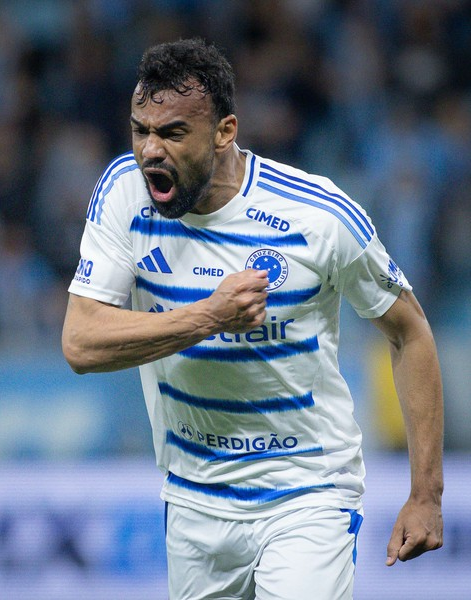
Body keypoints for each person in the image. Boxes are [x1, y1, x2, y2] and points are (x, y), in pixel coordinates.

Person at [62, 38, 443, 600]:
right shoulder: (123, 193)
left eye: (173, 133)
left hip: (307, 492)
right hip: (193, 497)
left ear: (224, 131)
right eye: (140, 130)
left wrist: (426, 494)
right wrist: (208, 317)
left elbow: (409, 331)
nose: (150, 151)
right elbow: (81, 342)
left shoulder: (317, 215)